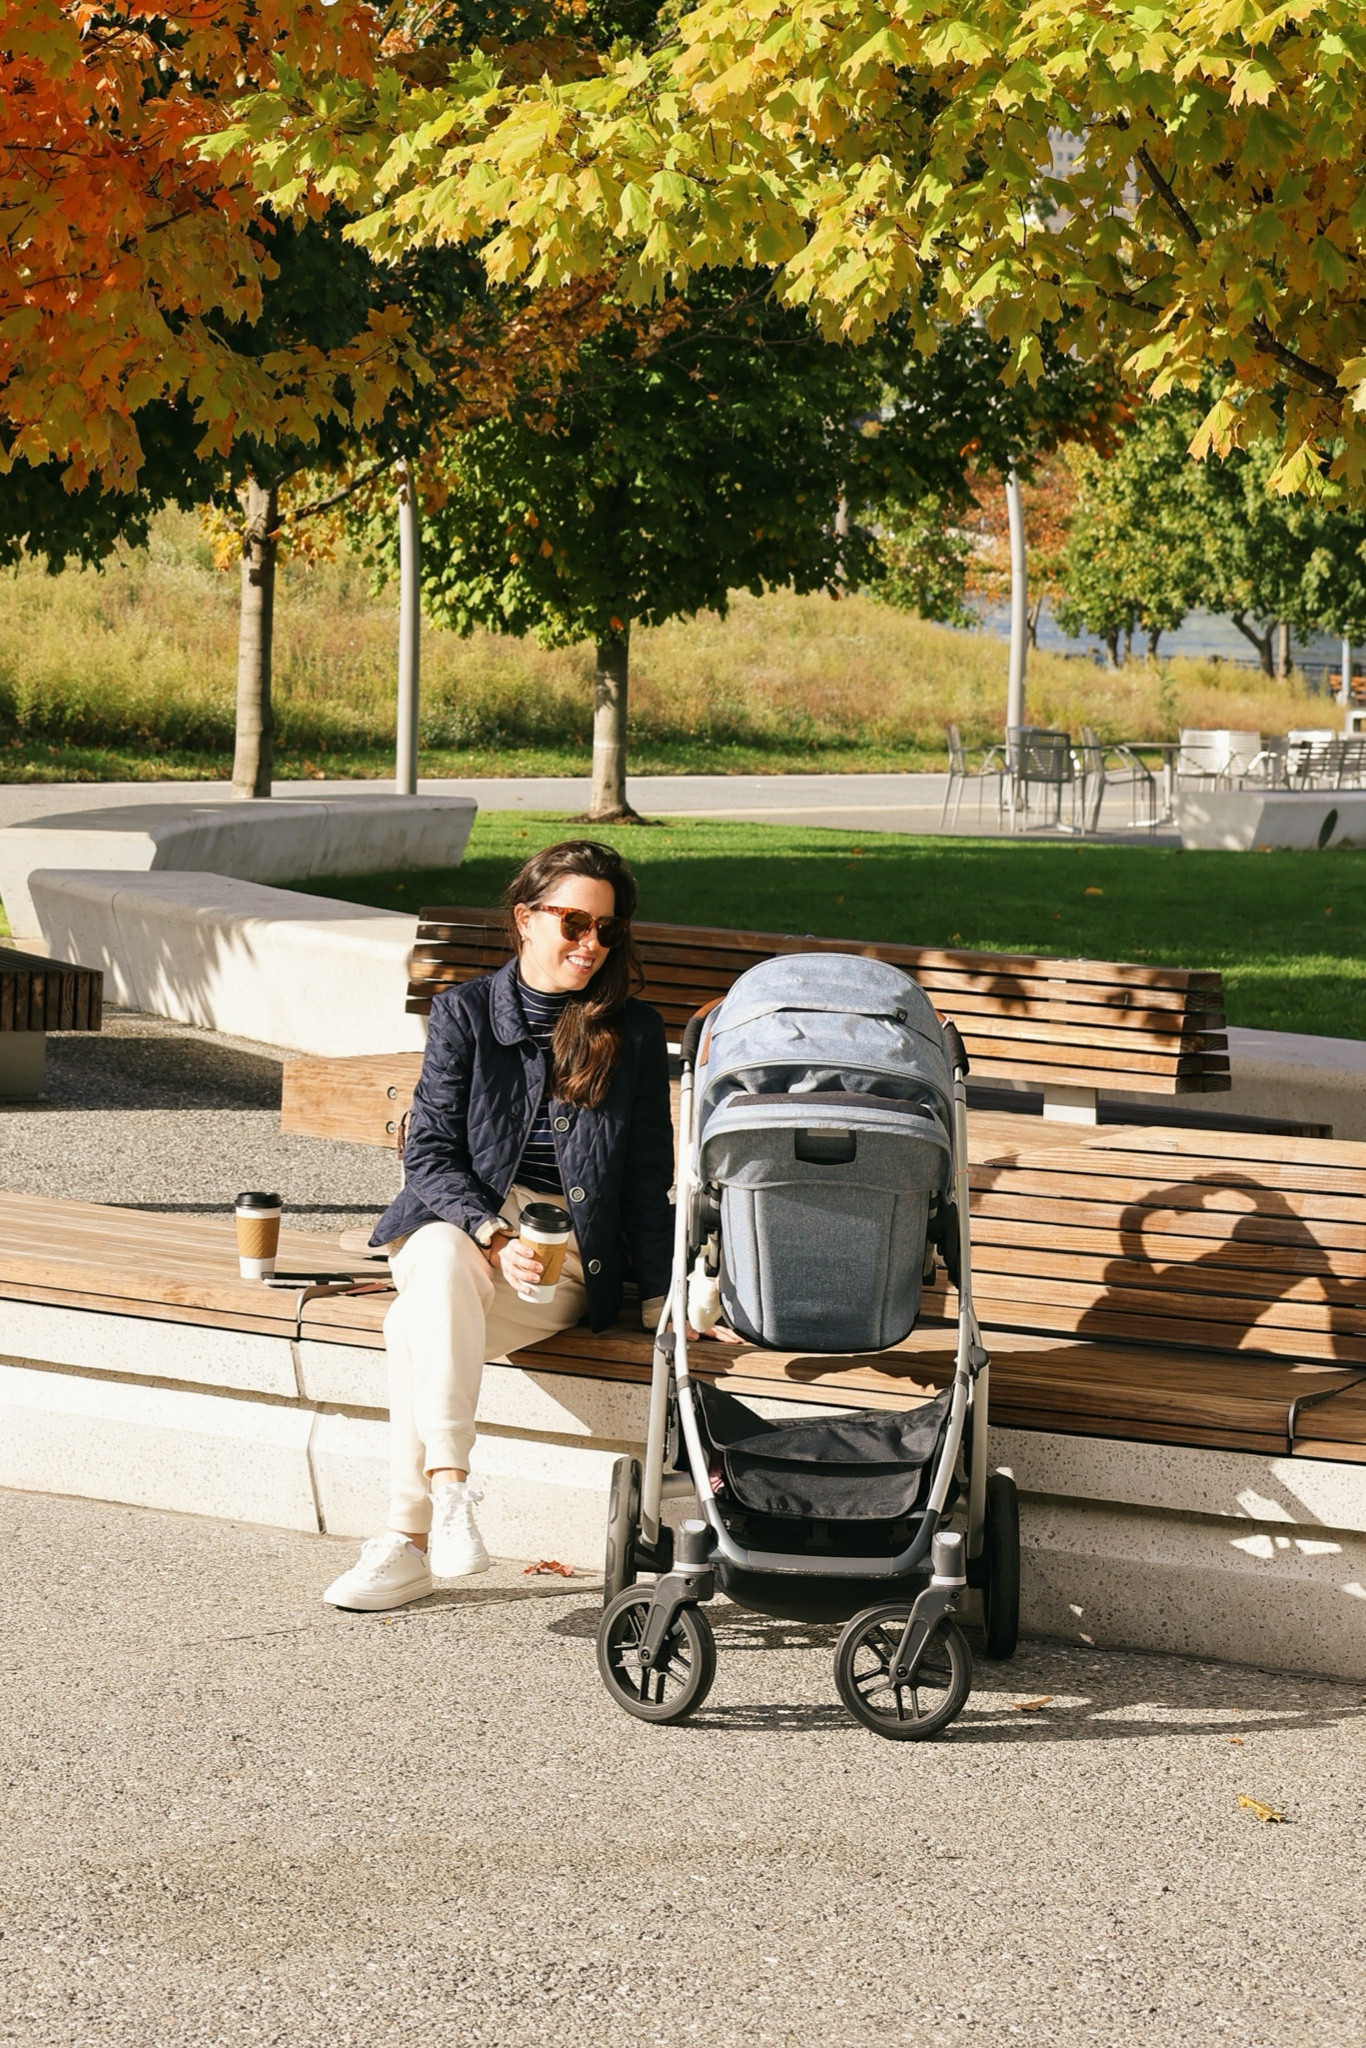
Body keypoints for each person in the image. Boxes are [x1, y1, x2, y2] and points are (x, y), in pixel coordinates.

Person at [324, 838, 709, 1611]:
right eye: (573, 924)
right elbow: (428, 1157)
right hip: (457, 1224)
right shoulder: (464, 1014)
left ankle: (410, 1533)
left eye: (608, 929)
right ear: (526, 919)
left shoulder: (630, 1032)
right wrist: (491, 1235)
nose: (591, 944)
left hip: (567, 1254)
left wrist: (662, 1294)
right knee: (437, 1257)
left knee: (411, 1328)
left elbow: (644, 1179)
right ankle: (454, 1488)